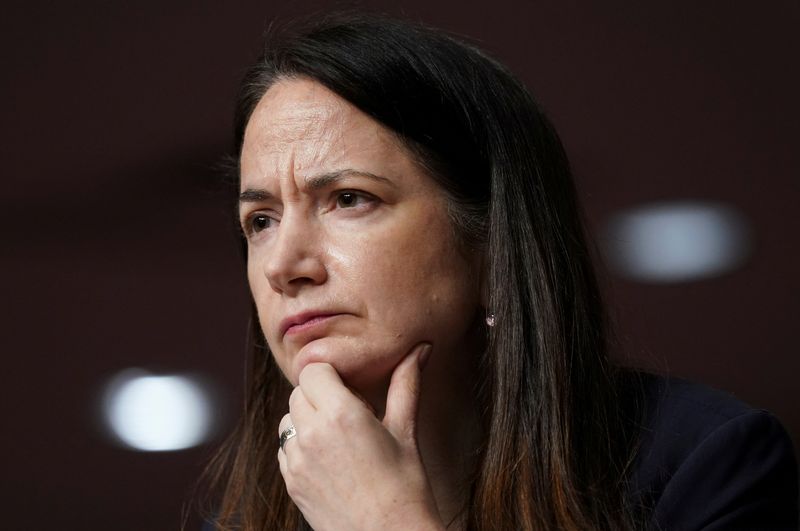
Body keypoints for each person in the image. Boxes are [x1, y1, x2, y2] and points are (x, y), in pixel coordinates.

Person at [202, 13, 799, 530]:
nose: (283, 265)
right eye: (260, 220)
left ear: (490, 238)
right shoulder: (233, 523)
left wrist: (383, 520)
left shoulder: (704, 467)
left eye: (350, 199)